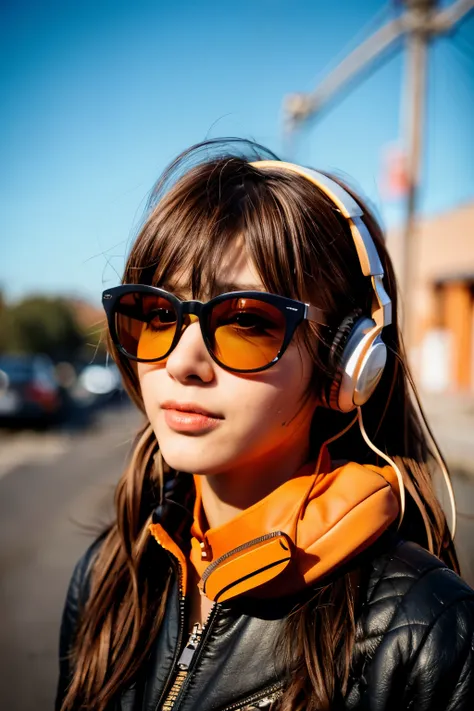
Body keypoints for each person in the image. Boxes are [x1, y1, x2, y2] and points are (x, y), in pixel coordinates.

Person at [56, 139, 474, 711]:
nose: (181, 362)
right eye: (158, 315)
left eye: (247, 322)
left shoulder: (429, 634)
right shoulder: (109, 575)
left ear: (349, 365)